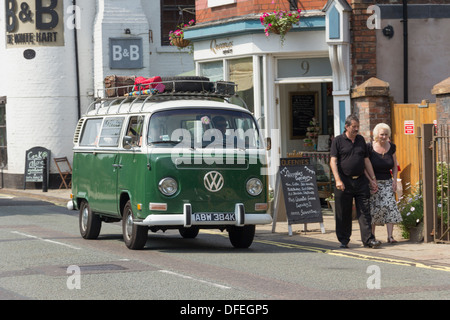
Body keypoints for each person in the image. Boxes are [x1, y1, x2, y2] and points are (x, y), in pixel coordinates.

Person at [330, 114, 381, 249]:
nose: (356, 129)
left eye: (358, 127)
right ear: (346, 127)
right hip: (344, 181)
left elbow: (366, 160)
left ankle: (368, 240)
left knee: (365, 211)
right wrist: (337, 180)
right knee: (344, 212)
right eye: (354, 127)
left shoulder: (360, 140)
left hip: (360, 181)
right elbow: (333, 161)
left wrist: (373, 179)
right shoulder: (338, 141)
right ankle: (344, 240)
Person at [365, 123, 402, 243]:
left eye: (386, 134)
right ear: (376, 134)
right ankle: (372, 236)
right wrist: (371, 181)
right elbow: (364, 166)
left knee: (390, 206)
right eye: (381, 134)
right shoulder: (369, 147)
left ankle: (390, 236)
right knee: (374, 209)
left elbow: (395, 166)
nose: (384, 137)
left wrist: (395, 180)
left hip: (387, 181)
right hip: (373, 182)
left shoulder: (391, 147)